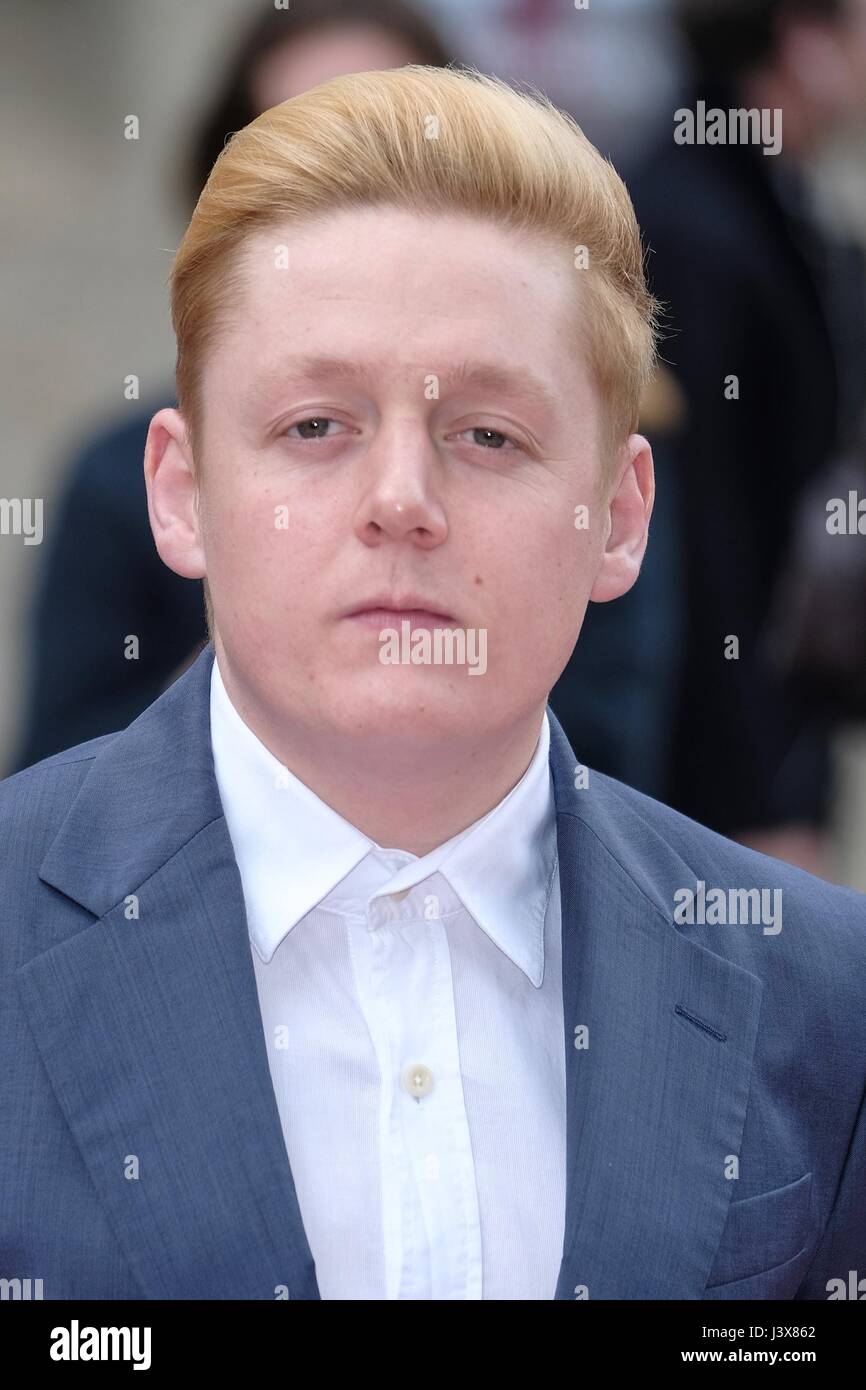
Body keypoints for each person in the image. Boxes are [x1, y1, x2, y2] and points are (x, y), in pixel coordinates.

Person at [2, 65, 864, 1301]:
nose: (401, 502)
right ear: (181, 494)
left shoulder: (829, 998)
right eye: (315, 426)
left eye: (486, 435)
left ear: (617, 518)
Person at [8, 0, 454, 774]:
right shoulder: (117, 480)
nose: (347, 198)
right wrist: (255, 667)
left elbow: (621, 758)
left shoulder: (556, 458)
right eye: (293, 153)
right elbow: (58, 781)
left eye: (396, 152)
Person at [628, 0, 866, 873]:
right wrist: (760, 802)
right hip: (712, 797)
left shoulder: (778, 205)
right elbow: (703, 541)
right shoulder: (692, 222)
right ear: (802, 39)